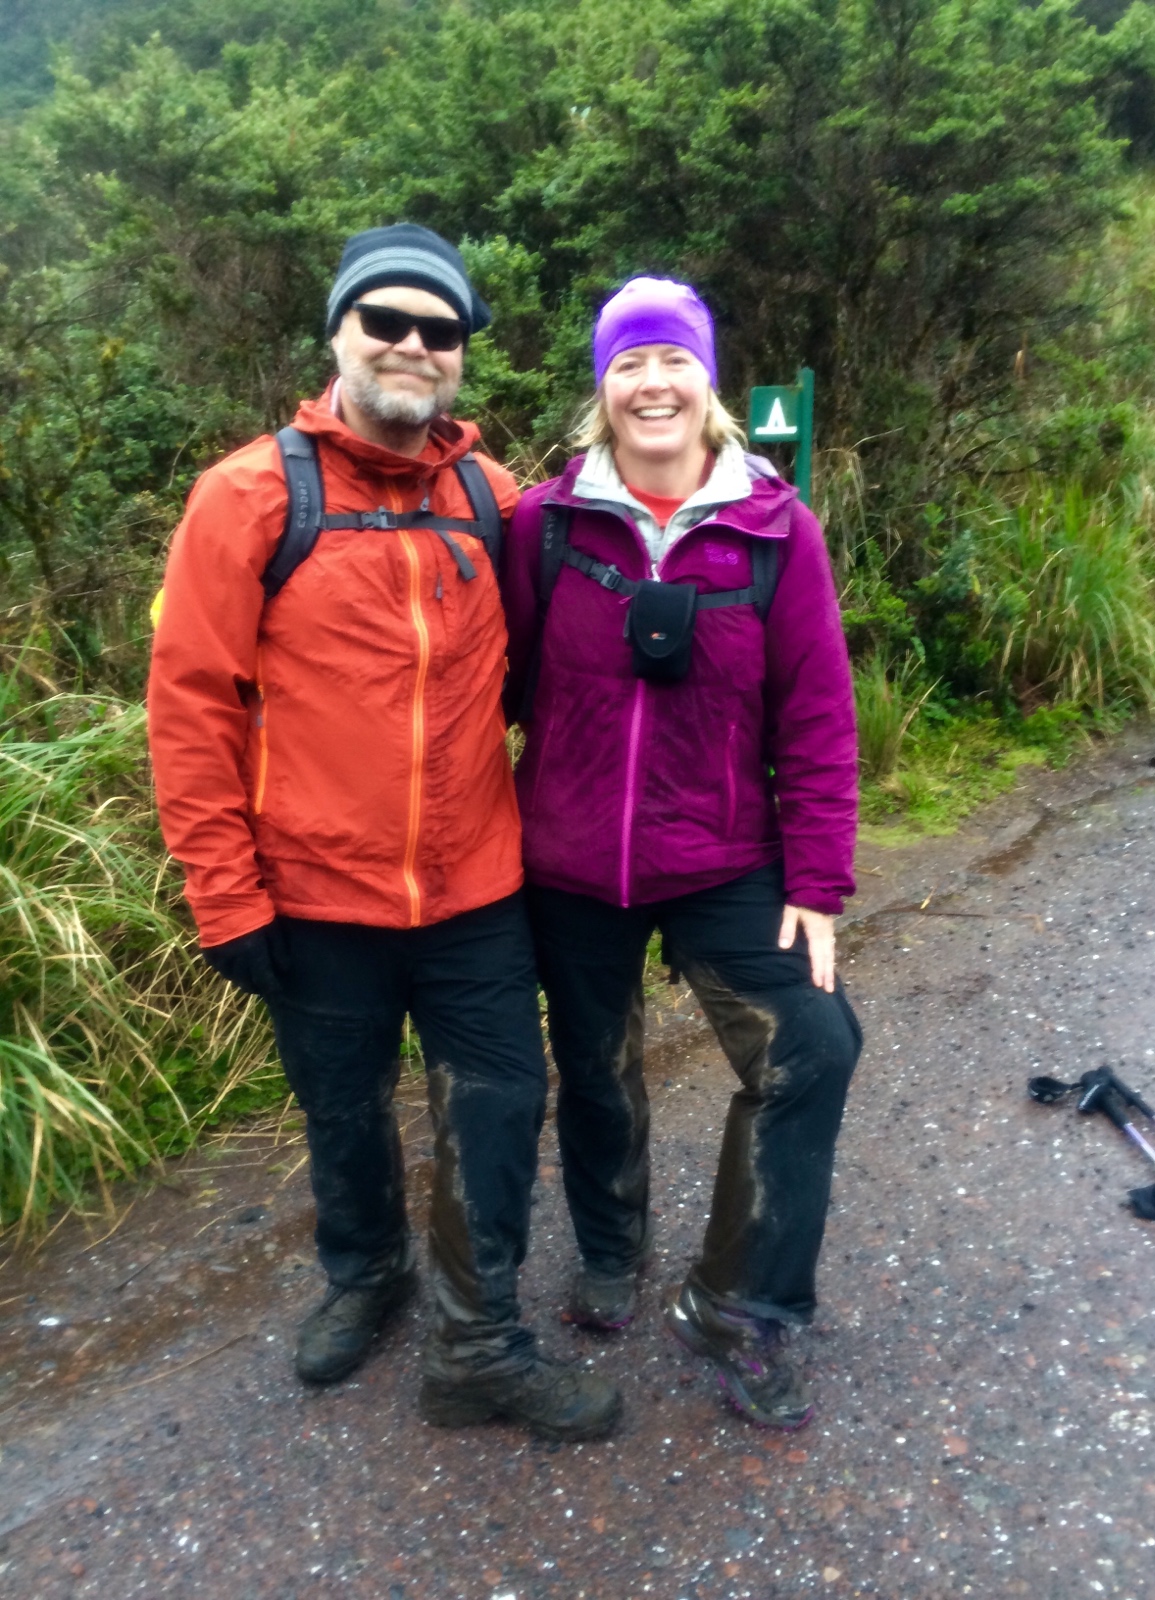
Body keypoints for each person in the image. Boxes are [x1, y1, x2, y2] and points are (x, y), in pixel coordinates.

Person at [147, 223, 619, 1443]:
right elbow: (192, 705)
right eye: (388, 322)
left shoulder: (493, 497)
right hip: (313, 895)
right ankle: (368, 1275)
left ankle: (478, 1337)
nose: (414, 345)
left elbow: (595, 584)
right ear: (339, 336)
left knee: (501, 1102)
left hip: (476, 890)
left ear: (461, 355)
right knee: (342, 1106)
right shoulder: (249, 495)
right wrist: (224, 893)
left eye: (439, 330)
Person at [502, 276, 863, 1430]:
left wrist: (816, 880)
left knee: (814, 1043)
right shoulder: (543, 528)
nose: (651, 382)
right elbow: (486, 690)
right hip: (568, 862)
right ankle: (611, 1250)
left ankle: (744, 1301)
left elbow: (818, 713)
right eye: (627, 364)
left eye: (673, 361)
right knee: (597, 1068)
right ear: (601, 390)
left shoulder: (776, 531)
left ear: (706, 382)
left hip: (724, 857)